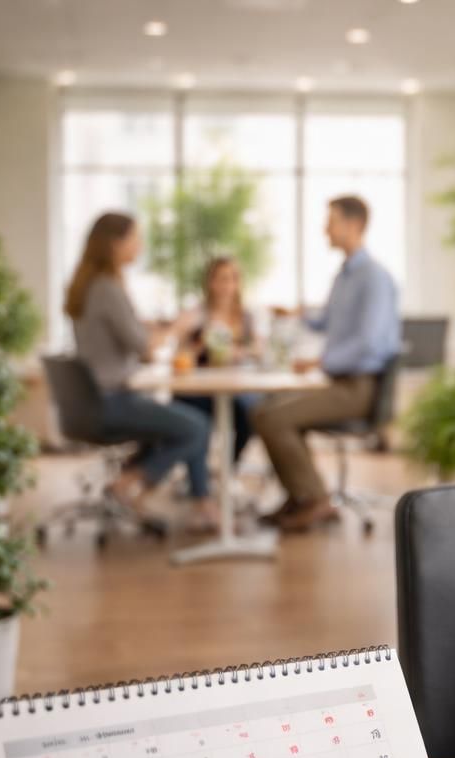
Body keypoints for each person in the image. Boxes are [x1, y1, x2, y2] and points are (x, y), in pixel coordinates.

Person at [252, 195, 398, 533]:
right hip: (339, 383)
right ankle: (301, 496)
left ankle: (315, 499)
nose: (325, 230)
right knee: (263, 410)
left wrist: (320, 360)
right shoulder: (344, 276)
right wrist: (298, 315)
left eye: (330, 221)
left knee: (273, 418)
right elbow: (327, 321)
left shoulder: (374, 278)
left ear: (354, 225)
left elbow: (370, 343)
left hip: (361, 387)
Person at [65, 212, 218, 533]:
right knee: (197, 426)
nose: (141, 246)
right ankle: (127, 484)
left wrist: (152, 326)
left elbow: (122, 336)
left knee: (181, 419)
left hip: (93, 401)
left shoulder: (91, 285)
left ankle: (192, 500)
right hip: (111, 402)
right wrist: (179, 326)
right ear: (115, 243)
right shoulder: (107, 287)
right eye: (136, 239)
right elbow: (144, 349)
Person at [173, 256, 261, 463]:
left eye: (232, 279)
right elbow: (179, 359)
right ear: (210, 282)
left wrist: (241, 352)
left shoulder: (245, 317)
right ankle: (199, 486)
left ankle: (229, 469)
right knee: (194, 417)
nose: (227, 285)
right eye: (221, 279)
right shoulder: (195, 316)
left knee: (252, 415)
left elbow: (258, 350)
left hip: (235, 388)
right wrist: (200, 345)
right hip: (199, 390)